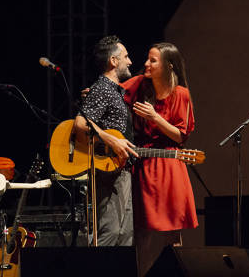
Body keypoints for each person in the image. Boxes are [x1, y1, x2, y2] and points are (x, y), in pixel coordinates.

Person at [120, 42, 198, 275]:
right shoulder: (140, 84)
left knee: (172, 232)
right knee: (142, 231)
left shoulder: (181, 94)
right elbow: (113, 91)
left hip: (170, 167)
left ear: (168, 66)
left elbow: (180, 136)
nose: (146, 64)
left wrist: (155, 117)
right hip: (144, 166)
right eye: (148, 58)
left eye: (153, 60)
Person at [73, 35, 138, 246]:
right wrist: (111, 140)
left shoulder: (115, 91)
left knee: (125, 234)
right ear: (113, 61)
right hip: (109, 171)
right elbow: (81, 124)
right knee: (110, 232)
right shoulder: (102, 88)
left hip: (122, 169)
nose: (130, 61)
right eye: (126, 57)